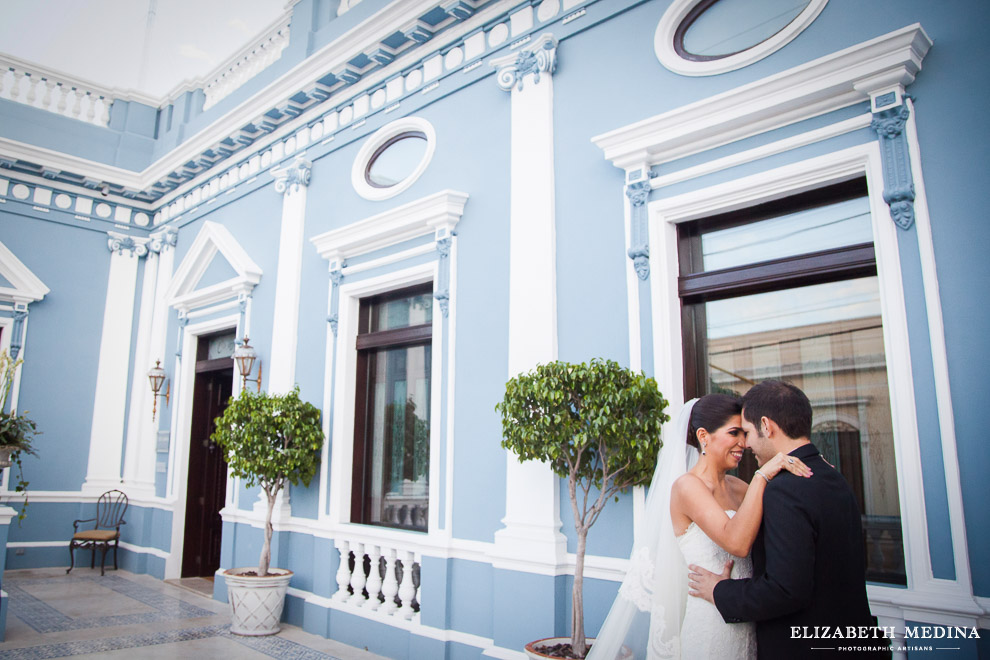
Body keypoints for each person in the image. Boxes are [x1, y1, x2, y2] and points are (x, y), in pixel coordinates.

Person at [587, 393, 810, 660]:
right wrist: (762, 476)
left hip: (746, 619)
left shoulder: (741, 489)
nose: (744, 443)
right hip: (710, 625)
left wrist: (813, 473)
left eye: (745, 433)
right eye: (734, 433)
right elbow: (737, 543)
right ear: (704, 436)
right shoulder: (687, 487)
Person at [687, 380, 881, 658]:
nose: (746, 443)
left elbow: (786, 590)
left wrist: (720, 591)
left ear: (767, 426)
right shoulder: (833, 476)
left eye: (748, 432)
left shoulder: (784, 489)